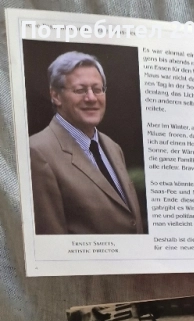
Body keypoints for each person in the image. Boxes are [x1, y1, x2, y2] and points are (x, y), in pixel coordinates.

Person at [29, 51, 143, 235]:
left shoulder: (113, 147)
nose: (91, 98)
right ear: (55, 96)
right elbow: (52, 240)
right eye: (80, 90)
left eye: (97, 89)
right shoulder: (37, 152)